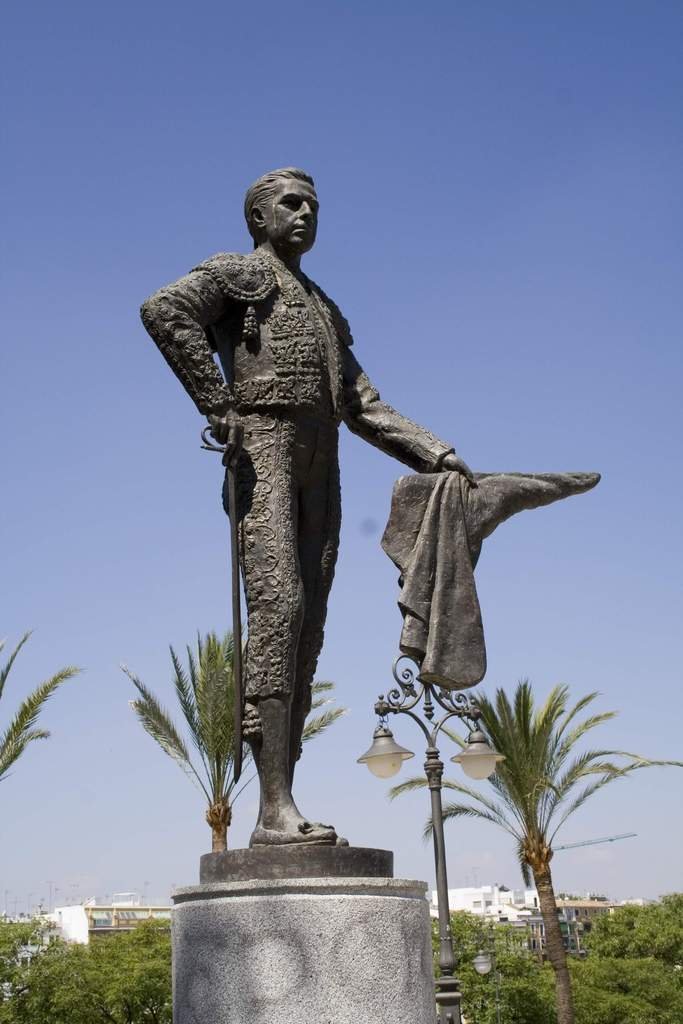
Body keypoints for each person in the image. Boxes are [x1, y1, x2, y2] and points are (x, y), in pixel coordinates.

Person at [140, 167, 472, 846]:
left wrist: (435, 454)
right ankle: (272, 809)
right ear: (257, 218)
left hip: (322, 459)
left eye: (313, 205)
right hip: (264, 446)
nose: (305, 213)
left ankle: (282, 800)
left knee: (309, 624)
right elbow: (164, 311)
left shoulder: (321, 306)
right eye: (290, 204)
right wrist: (218, 405)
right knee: (281, 607)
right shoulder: (239, 273)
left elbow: (362, 404)